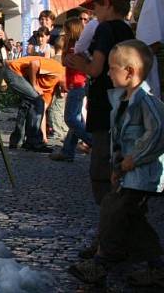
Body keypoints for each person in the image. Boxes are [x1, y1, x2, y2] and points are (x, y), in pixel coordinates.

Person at [68, 40, 164, 287]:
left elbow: (157, 133)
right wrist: (117, 168)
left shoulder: (146, 101)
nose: (108, 73)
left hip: (143, 175)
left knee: (115, 210)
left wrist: (134, 159)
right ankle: (157, 266)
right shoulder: (120, 101)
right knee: (130, 219)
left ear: (129, 72)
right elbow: (119, 142)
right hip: (128, 173)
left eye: (112, 68)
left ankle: (102, 263)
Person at [65, 0, 135, 258]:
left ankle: (110, 241)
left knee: (103, 178)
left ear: (107, 4)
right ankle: (112, 238)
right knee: (117, 177)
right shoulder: (128, 30)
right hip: (121, 112)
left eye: (96, 5)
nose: (93, 11)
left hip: (104, 111)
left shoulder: (105, 30)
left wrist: (76, 62)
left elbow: (95, 69)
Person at [51, 17, 91, 161]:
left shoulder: (77, 47)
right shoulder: (73, 45)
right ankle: (67, 151)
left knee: (70, 119)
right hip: (76, 84)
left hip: (77, 85)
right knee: (76, 118)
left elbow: (67, 61)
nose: (64, 32)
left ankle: (92, 142)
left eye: (66, 30)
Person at [5, 56, 65, 152]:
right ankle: (33, 142)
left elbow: (41, 111)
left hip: (19, 74)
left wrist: (44, 137)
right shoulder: (57, 69)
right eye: (68, 88)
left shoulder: (52, 86)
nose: (65, 92)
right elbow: (34, 63)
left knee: (28, 105)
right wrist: (34, 84)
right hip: (13, 69)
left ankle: (17, 141)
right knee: (36, 101)